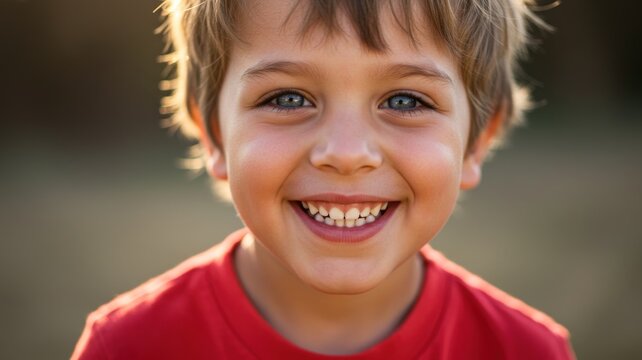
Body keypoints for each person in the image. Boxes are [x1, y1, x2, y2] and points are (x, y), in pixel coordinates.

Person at [72, 0, 575, 358]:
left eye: (405, 101)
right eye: (288, 98)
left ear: (477, 140)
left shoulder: (526, 351)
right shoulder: (127, 348)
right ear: (213, 133)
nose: (347, 154)